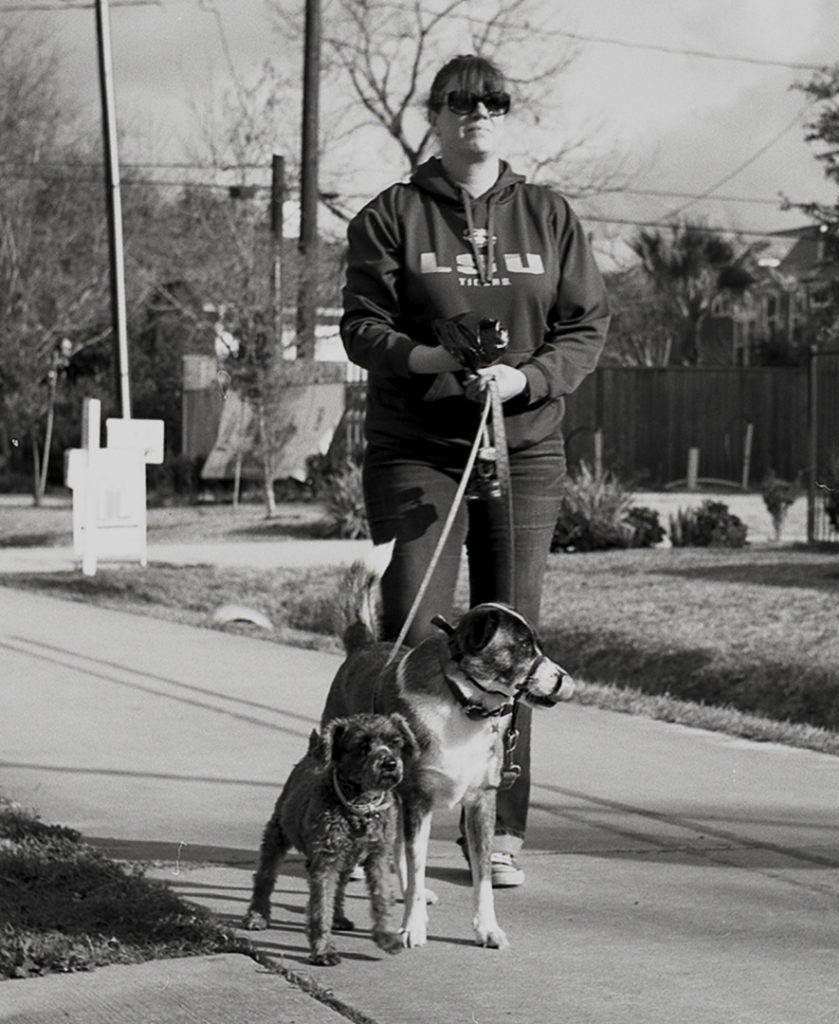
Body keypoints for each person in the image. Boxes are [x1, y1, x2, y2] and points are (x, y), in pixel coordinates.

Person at [340, 53, 609, 887]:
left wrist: (526, 377)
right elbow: (361, 326)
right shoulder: (392, 215)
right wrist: (429, 358)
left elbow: (585, 325)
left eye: (493, 100)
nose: (477, 112)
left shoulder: (547, 215)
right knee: (419, 636)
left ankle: (497, 832)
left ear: (505, 113)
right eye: (460, 102)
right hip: (418, 450)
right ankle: (389, 815)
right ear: (435, 113)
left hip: (522, 448)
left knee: (513, 640)